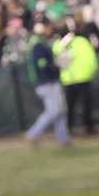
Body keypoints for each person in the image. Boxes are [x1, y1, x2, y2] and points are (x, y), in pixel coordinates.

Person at [25, 16, 71, 147]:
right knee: (54, 111)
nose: (50, 29)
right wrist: (56, 65)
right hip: (47, 82)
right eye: (47, 27)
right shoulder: (38, 44)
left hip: (49, 81)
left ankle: (63, 138)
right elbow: (41, 64)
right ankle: (33, 134)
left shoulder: (40, 42)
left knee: (61, 110)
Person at [55, 18, 99, 137]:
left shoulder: (77, 42)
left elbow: (90, 58)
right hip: (75, 79)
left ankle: (84, 128)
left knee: (80, 106)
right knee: (74, 106)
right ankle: (74, 128)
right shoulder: (64, 43)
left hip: (77, 79)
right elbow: (62, 63)